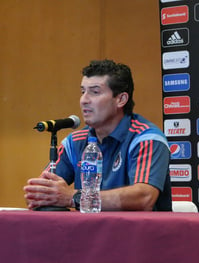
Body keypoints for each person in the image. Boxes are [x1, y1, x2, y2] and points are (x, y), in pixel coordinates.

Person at [24, 59, 171, 211]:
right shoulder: (75, 142)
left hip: (137, 233)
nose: (84, 100)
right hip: (89, 232)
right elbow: (39, 195)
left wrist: (73, 197)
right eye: (82, 92)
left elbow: (144, 197)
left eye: (95, 92)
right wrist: (42, 195)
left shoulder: (146, 138)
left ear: (121, 99)